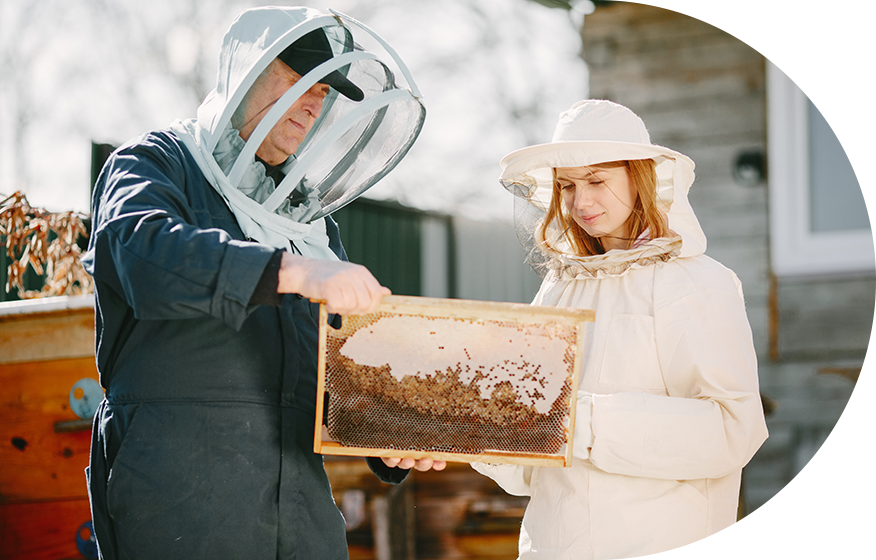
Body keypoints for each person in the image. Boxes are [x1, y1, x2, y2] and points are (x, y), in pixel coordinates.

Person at [82, 6, 443, 560]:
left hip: (299, 517)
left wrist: (388, 438)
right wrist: (290, 272)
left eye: (324, 89)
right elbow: (140, 255)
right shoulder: (155, 163)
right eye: (296, 78)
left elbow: (337, 375)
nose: (314, 100)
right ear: (243, 73)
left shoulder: (309, 228)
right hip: (178, 507)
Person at [472, 99, 768, 559]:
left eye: (597, 180)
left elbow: (733, 430)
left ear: (639, 176)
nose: (580, 201)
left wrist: (583, 421)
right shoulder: (558, 288)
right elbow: (531, 469)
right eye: (567, 185)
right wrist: (475, 432)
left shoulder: (696, 283)